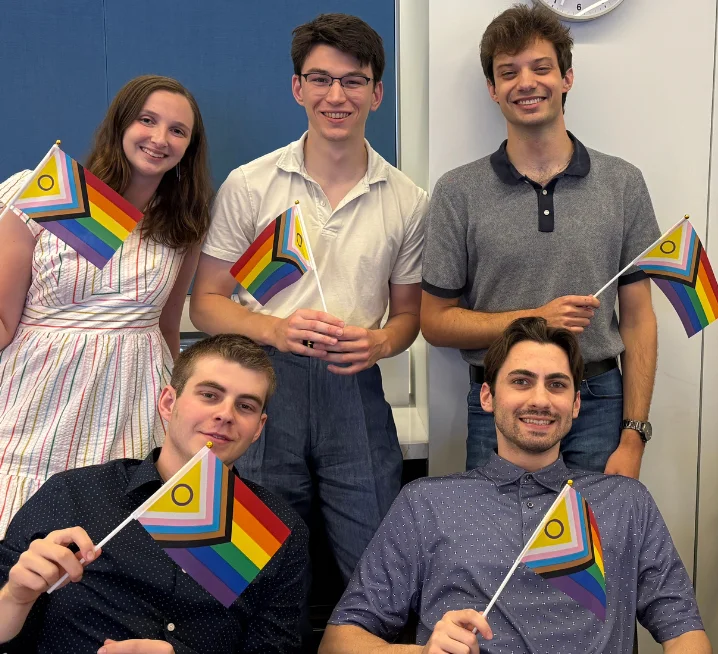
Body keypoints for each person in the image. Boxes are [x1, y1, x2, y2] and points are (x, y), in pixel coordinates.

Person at [189, 13, 427, 589]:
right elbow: (205, 304)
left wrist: (380, 342)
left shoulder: (408, 200)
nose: (335, 96)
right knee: (250, 565)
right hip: (263, 385)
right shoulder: (250, 185)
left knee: (378, 565)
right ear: (298, 88)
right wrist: (274, 330)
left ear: (377, 92)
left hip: (355, 388)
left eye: (353, 81)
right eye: (320, 79)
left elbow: (408, 318)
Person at [321, 317, 710, 654]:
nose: (540, 400)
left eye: (556, 385)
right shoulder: (424, 503)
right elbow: (338, 641)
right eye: (521, 381)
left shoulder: (626, 502)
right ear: (488, 396)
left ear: (575, 404)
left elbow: (684, 631)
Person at [420, 4, 660, 479]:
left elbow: (638, 320)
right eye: (508, 72)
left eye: (541, 68)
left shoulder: (623, 183)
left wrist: (634, 435)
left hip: (597, 402)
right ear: (492, 89)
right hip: (499, 403)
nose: (525, 83)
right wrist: (535, 319)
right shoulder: (457, 191)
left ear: (567, 78)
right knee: (498, 529)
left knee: (596, 527)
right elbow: (435, 322)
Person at [0, 75, 214, 537]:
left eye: (177, 130)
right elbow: (2, 319)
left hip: (134, 397)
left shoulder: (183, 226)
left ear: (189, 147)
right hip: (39, 395)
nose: (160, 138)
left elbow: (168, 327)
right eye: (147, 120)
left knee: (115, 535)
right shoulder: (50, 193)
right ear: (121, 124)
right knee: (20, 535)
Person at [0, 333, 308, 653]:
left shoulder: (279, 529)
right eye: (209, 395)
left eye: (245, 406)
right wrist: (14, 598)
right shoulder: (71, 494)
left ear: (258, 427)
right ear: (168, 403)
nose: (226, 414)